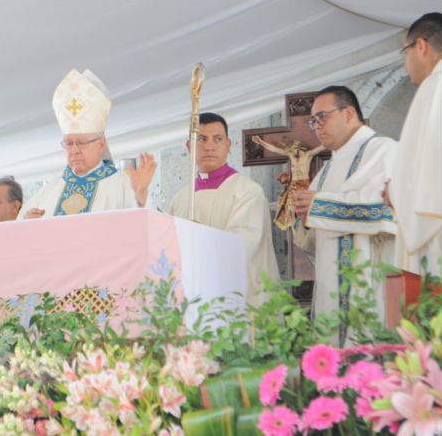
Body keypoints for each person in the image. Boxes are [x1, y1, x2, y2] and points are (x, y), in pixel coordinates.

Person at [291, 86, 397, 346]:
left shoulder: (385, 150)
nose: (316, 126)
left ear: (348, 113)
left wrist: (318, 206)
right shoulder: (329, 167)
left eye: (322, 117)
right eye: (313, 120)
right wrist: (305, 220)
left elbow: (387, 211)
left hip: (369, 279)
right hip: (330, 284)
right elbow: (317, 235)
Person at [168, 112, 280, 307]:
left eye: (217, 139)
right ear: (189, 146)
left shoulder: (247, 192)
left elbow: (243, 245)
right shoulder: (181, 198)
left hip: (236, 299)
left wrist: (197, 236)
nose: (209, 146)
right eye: (201, 139)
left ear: (228, 145)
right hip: (191, 298)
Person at [19, 69, 157, 219]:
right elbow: (17, 229)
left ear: (101, 143)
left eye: (82, 143)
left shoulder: (125, 187)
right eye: (68, 143)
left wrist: (141, 194)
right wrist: (27, 225)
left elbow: (147, 225)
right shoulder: (46, 193)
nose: (74, 150)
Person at [386, 12, 442, 277]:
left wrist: (395, 192)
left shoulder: (436, 86)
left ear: (421, 45)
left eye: (405, 51)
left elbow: (432, 171)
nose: (404, 64)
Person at [251, 136, 325, 230]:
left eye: (293, 150)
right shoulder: (291, 155)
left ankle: (305, 227)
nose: (291, 153)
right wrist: (261, 142)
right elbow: (274, 149)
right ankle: (294, 227)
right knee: (290, 208)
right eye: (291, 151)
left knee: (305, 208)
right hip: (293, 185)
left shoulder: (308, 155)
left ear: (298, 149)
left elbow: (322, 147)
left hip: (304, 184)